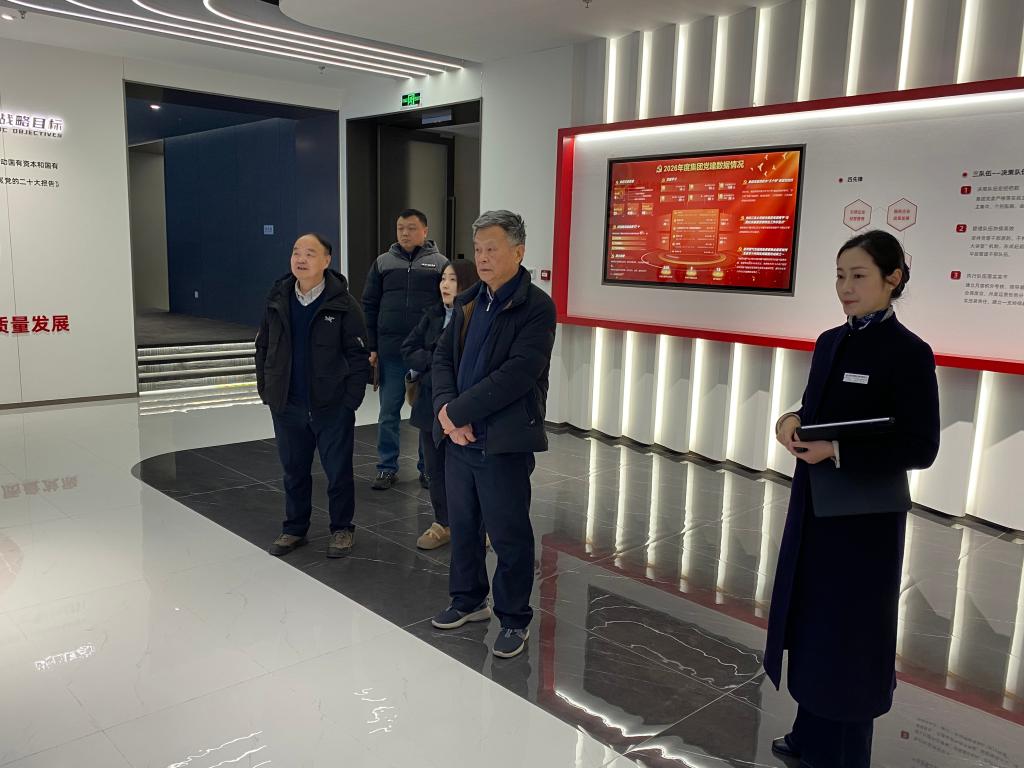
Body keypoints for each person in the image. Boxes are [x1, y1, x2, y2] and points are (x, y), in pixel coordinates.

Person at [764, 230, 940, 768]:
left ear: (893, 278)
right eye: (840, 276)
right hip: (815, 507)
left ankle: (841, 754)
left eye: (859, 276)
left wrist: (838, 450)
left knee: (851, 633)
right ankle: (808, 733)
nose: (845, 287)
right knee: (813, 621)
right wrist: (791, 420)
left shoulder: (909, 353)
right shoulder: (829, 341)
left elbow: (921, 446)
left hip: (865, 521)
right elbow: (814, 407)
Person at [429, 210, 557, 659]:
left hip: (503, 442)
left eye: (492, 249)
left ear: (518, 252)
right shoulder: (468, 301)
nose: (482, 258)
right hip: (460, 440)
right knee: (463, 527)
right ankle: (468, 600)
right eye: (478, 249)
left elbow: (518, 374)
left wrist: (457, 413)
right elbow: (442, 358)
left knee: (508, 535)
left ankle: (514, 618)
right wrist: (448, 413)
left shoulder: (536, 307)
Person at [255, 233, 371, 559]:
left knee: (338, 472)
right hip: (287, 404)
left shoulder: (344, 304)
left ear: (326, 260)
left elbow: (359, 356)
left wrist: (349, 402)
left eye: (309, 253)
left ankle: (342, 528)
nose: (301, 259)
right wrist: (267, 389)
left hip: (331, 407)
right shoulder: (278, 299)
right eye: (296, 252)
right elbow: (263, 346)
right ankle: (294, 528)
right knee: (293, 471)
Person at [362, 209, 449, 491]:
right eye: (400, 227)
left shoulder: (440, 264)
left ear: (425, 231)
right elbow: (369, 304)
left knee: (425, 415)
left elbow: (447, 307)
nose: (404, 233)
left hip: (424, 353)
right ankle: (386, 468)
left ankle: (428, 469)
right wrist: (372, 346)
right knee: (388, 412)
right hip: (390, 351)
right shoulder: (383, 263)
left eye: (411, 228)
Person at [401, 259, 480, 550]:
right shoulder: (432, 314)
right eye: (443, 279)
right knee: (435, 469)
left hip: (461, 407)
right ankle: (443, 522)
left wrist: (433, 363)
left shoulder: (476, 319)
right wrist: (434, 362)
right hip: (429, 406)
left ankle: (477, 525)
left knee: (468, 471)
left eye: (452, 280)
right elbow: (408, 349)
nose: (445, 285)